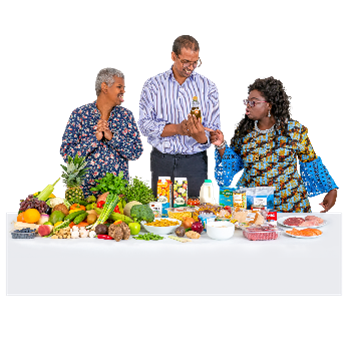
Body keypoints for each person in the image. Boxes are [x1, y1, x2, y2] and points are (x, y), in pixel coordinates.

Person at [208, 75, 339, 212]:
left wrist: (331, 189)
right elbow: (233, 166)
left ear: (269, 105)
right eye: (247, 101)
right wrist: (221, 144)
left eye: (253, 102)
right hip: (253, 208)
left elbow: (311, 163)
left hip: (290, 204)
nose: (247, 105)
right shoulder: (244, 132)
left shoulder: (293, 130)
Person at [138, 34, 221, 198]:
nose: (190, 67)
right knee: (162, 214)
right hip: (162, 162)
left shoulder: (208, 87)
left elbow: (214, 129)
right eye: (185, 62)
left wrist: (200, 137)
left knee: (194, 215)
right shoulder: (152, 85)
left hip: (195, 163)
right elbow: (144, 126)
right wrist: (177, 129)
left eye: (195, 62)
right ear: (173, 56)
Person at [60, 67, 144, 197]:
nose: (123, 91)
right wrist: (94, 139)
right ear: (104, 87)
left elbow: (136, 153)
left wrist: (112, 138)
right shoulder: (80, 114)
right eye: (119, 87)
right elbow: (67, 155)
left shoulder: (126, 116)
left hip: (118, 196)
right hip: (84, 196)